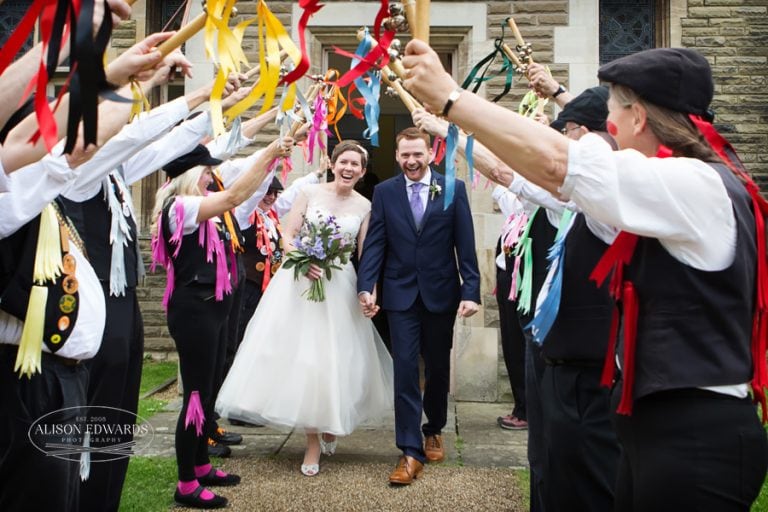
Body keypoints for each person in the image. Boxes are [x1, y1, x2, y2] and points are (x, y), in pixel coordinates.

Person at [403, 43, 768, 510]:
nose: (606, 130)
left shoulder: (696, 184)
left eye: (611, 113)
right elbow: (549, 175)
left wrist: (451, 98)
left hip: (694, 434)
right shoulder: (671, 190)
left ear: (638, 117)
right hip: (656, 424)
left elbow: (560, 164)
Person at [216, 140, 394, 477]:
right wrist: (301, 258)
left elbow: (367, 254)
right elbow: (288, 232)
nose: (349, 168)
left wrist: (369, 291)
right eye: (344, 161)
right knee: (306, 359)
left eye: (356, 164)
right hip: (298, 283)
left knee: (337, 359)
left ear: (363, 170)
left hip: (339, 283)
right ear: (332, 161)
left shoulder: (365, 206)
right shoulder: (309, 194)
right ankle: (312, 441)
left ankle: (330, 418)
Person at [150, 139, 289, 509]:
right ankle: (185, 483)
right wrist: (270, 153)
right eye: (208, 171)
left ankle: (200, 464)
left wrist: (268, 161)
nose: (214, 177)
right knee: (195, 397)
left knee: (208, 392)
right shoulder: (180, 206)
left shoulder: (201, 210)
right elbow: (233, 197)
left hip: (211, 309)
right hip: (194, 310)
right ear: (191, 174)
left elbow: (236, 202)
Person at [357, 127, 481, 485]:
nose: (411, 161)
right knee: (406, 369)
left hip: (441, 293)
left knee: (438, 368)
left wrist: (470, 289)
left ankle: (434, 428)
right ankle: (409, 450)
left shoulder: (453, 190)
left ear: (432, 153)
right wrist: (368, 285)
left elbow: (465, 244)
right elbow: (376, 243)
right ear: (397, 156)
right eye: (405, 155)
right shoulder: (384, 192)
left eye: (417, 154)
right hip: (399, 294)